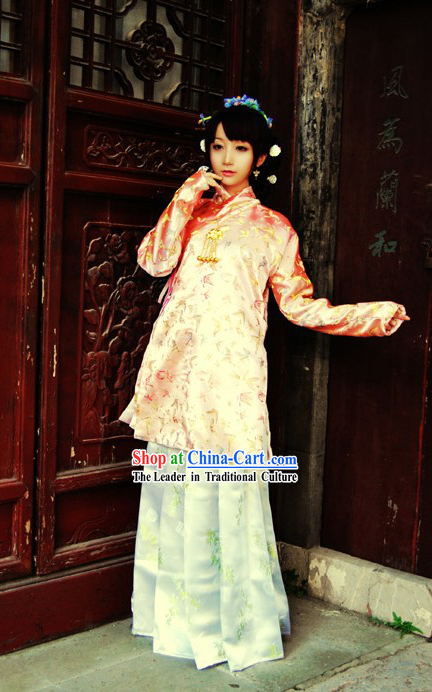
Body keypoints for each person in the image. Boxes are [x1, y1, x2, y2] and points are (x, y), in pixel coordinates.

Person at [119, 95, 410, 672]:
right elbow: (152, 261)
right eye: (218, 146)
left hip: (231, 383)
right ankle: (173, 622)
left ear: (259, 158)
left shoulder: (273, 229)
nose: (226, 158)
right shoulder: (191, 214)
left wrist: (367, 317)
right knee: (176, 491)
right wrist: (184, 198)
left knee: (229, 492)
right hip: (177, 377)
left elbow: (300, 307)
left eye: (240, 147)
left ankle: (234, 630)